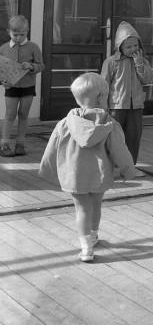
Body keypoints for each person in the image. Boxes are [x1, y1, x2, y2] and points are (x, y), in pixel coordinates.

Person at [39, 73, 136, 262]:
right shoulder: (110, 125)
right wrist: (128, 170)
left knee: (81, 209)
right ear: (101, 97)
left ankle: (85, 248)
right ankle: (92, 236)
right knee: (96, 205)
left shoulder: (65, 123)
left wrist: (47, 168)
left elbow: (52, 148)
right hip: (99, 175)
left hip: (74, 175)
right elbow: (120, 151)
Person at [100, 21, 152, 175]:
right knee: (114, 139)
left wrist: (139, 64)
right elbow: (104, 85)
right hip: (116, 107)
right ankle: (112, 167)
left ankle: (130, 167)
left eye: (135, 46)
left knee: (134, 137)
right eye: (128, 47)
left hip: (136, 106)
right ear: (119, 46)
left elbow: (146, 80)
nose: (133, 50)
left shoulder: (142, 61)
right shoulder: (111, 62)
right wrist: (103, 106)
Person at [0, 15, 44, 157]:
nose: (18, 37)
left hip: (28, 87)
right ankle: (5, 145)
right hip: (11, 88)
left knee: (24, 115)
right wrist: (2, 81)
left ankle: (20, 144)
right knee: (9, 115)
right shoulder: (4, 48)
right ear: (8, 32)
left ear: (28, 31)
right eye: (15, 34)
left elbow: (41, 65)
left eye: (22, 34)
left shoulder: (33, 47)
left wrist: (31, 66)